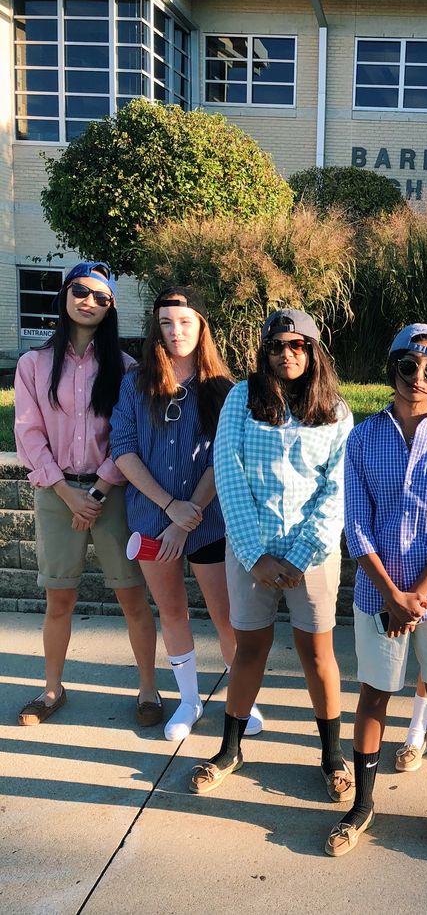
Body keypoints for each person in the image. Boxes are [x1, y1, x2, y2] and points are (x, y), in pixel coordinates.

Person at [325, 324, 427, 862]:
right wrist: (392, 594)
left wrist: (416, 596)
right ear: (392, 368)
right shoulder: (363, 438)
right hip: (377, 594)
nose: (418, 378)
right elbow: (356, 525)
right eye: (408, 366)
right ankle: (363, 803)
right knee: (375, 693)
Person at [189, 310, 354, 801]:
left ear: (314, 351)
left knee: (317, 654)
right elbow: (229, 472)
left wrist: (301, 554)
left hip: (313, 554)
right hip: (251, 552)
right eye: (279, 345)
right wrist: (255, 554)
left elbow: (336, 490)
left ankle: (330, 754)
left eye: (299, 345)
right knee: (249, 651)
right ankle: (230, 749)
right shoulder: (242, 399)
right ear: (265, 350)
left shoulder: (337, 411)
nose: (288, 353)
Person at [14, 262, 160, 727]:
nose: (89, 302)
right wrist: (66, 492)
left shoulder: (127, 368)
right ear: (65, 295)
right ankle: (51, 689)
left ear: (111, 307)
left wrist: (94, 491)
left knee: (132, 596)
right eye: (81, 291)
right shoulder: (33, 364)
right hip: (56, 495)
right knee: (59, 599)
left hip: (113, 494)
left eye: (101, 297)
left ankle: (148, 690)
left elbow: (128, 436)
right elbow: (29, 433)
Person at [110, 286, 249, 742]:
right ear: (156, 329)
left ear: (202, 327)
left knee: (225, 615)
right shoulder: (135, 384)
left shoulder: (222, 389)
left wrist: (189, 515)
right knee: (172, 612)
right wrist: (170, 510)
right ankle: (188, 702)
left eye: (186, 322)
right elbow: (123, 451)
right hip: (152, 521)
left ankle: (241, 703)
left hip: (208, 522)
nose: (176, 331)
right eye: (167, 323)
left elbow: (225, 457)